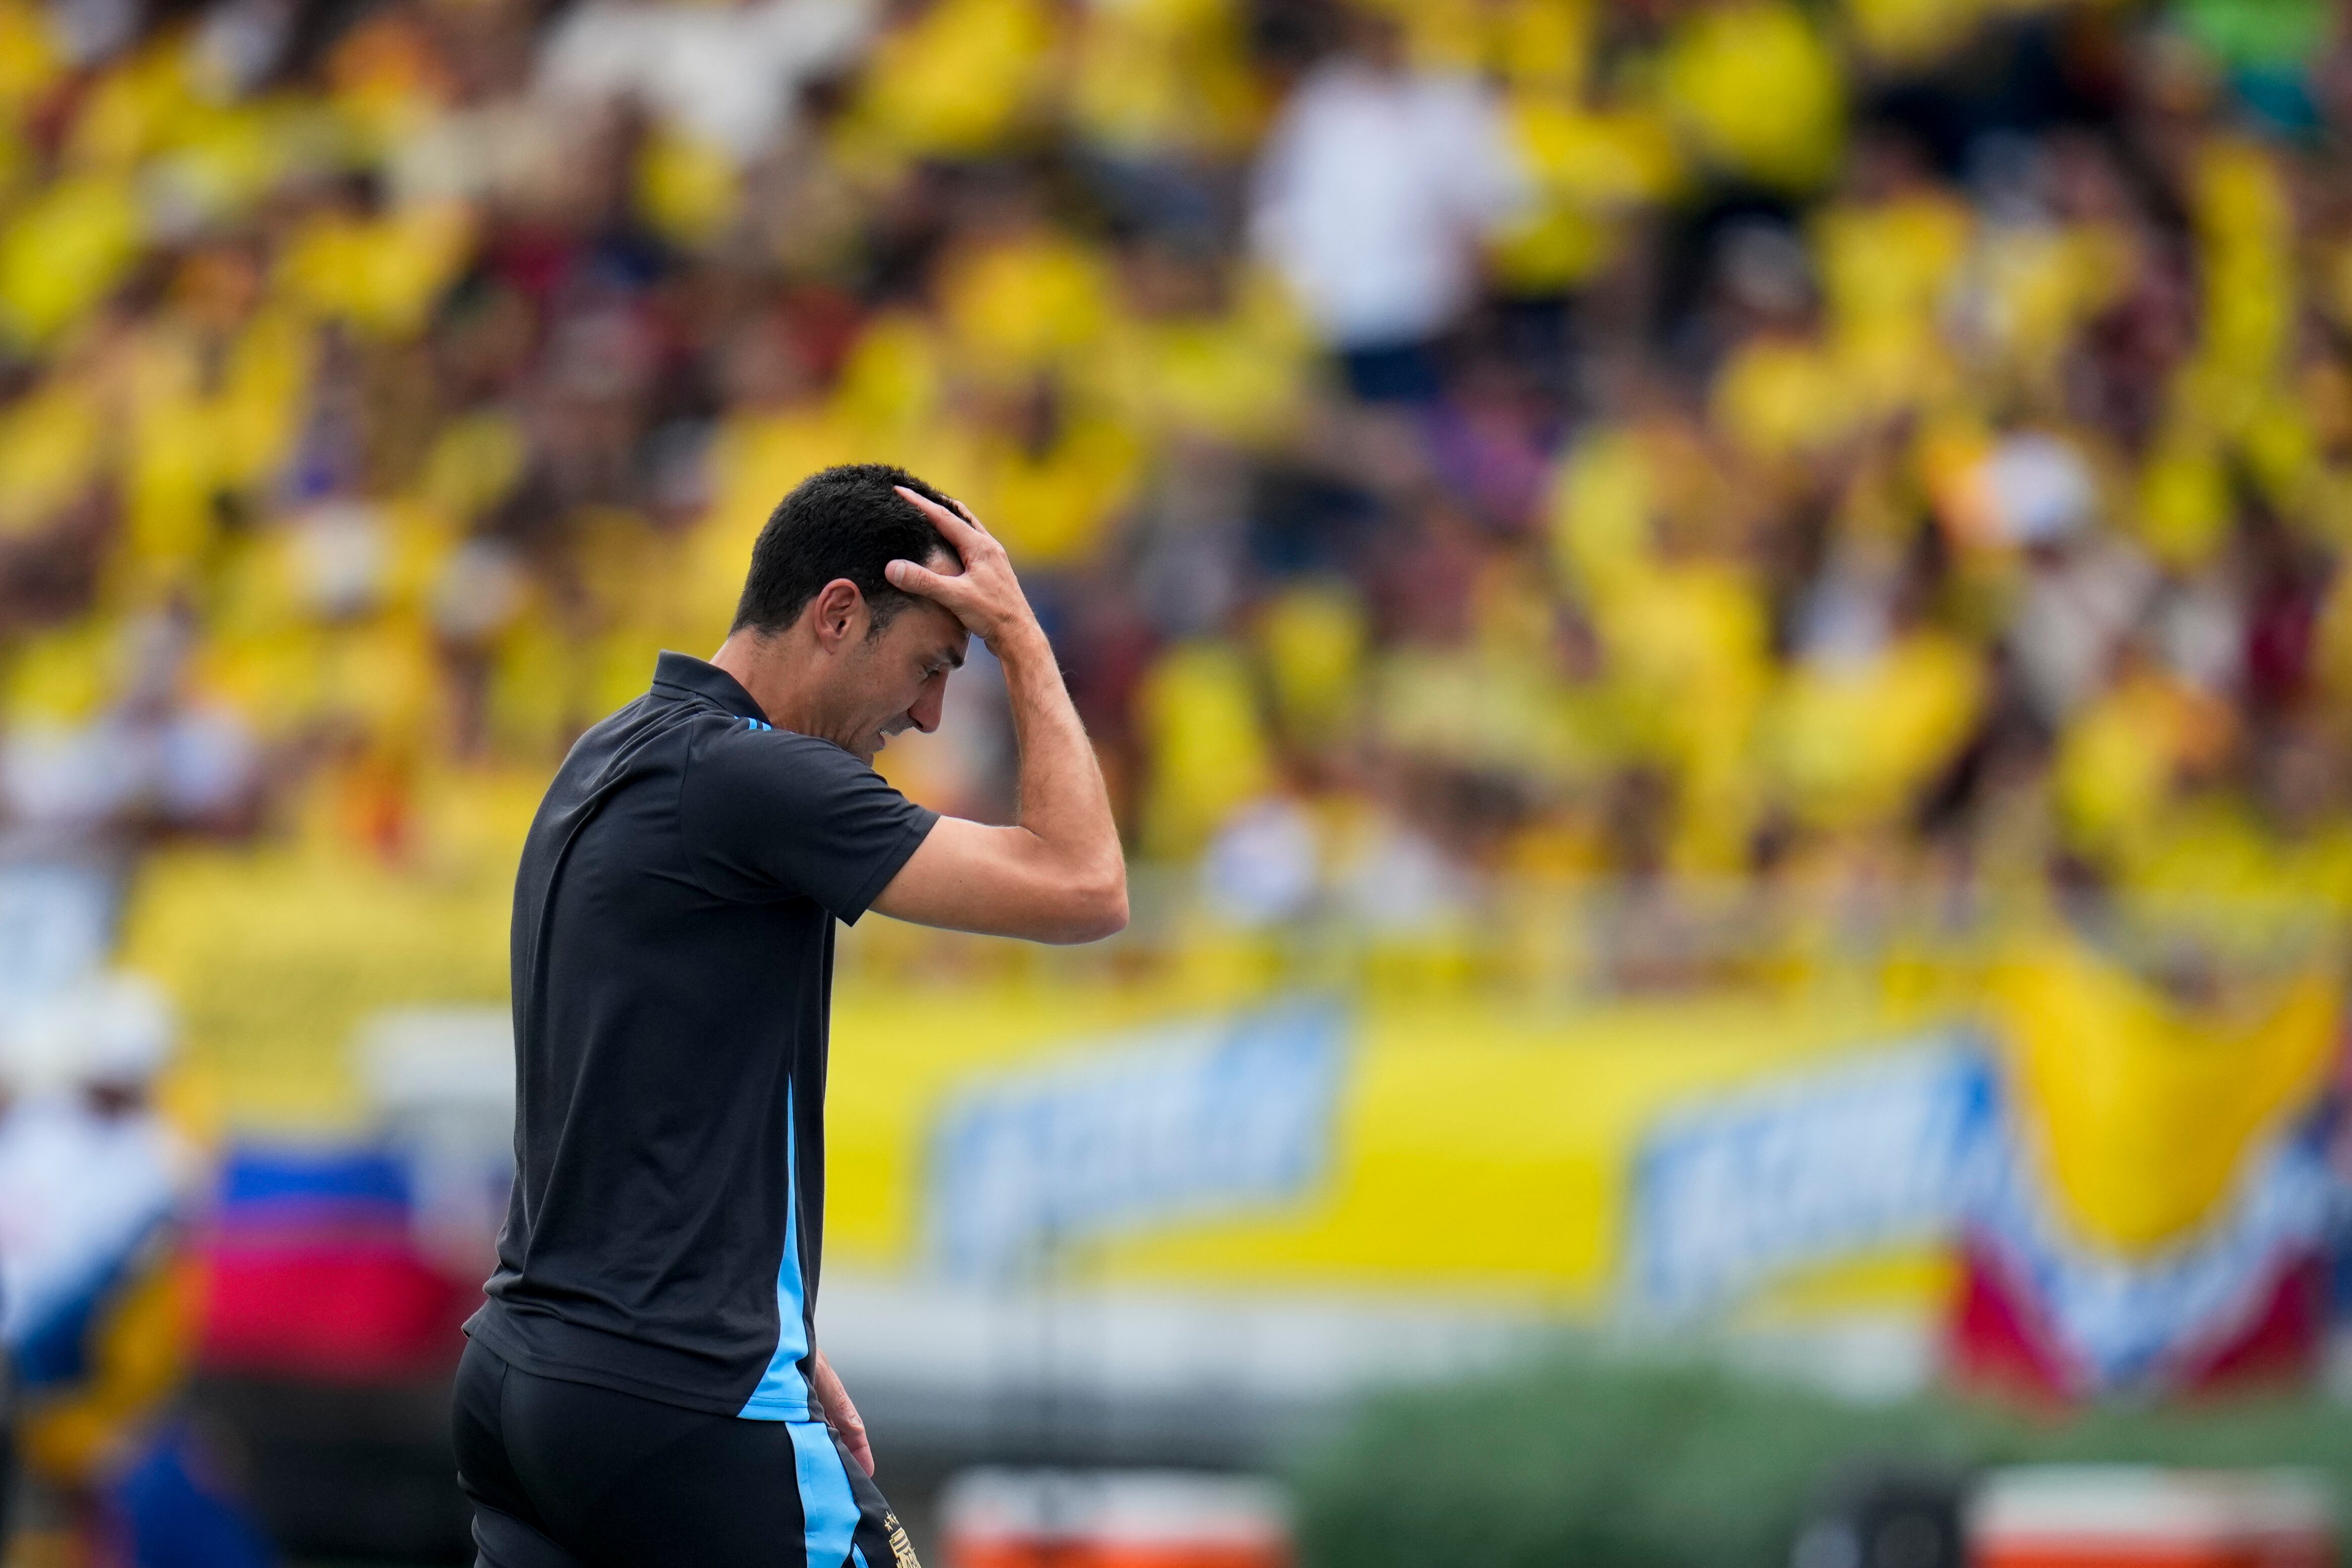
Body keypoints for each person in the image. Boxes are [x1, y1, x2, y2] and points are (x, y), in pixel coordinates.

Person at [452, 463, 1127, 1567]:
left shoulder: (611, 751)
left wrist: (786, 1336)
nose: (924, 714)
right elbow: (1084, 884)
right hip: (678, 1400)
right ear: (837, 614)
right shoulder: (751, 777)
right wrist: (1022, 641)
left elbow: (634, 1094)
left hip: (526, 1381)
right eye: (929, 666)